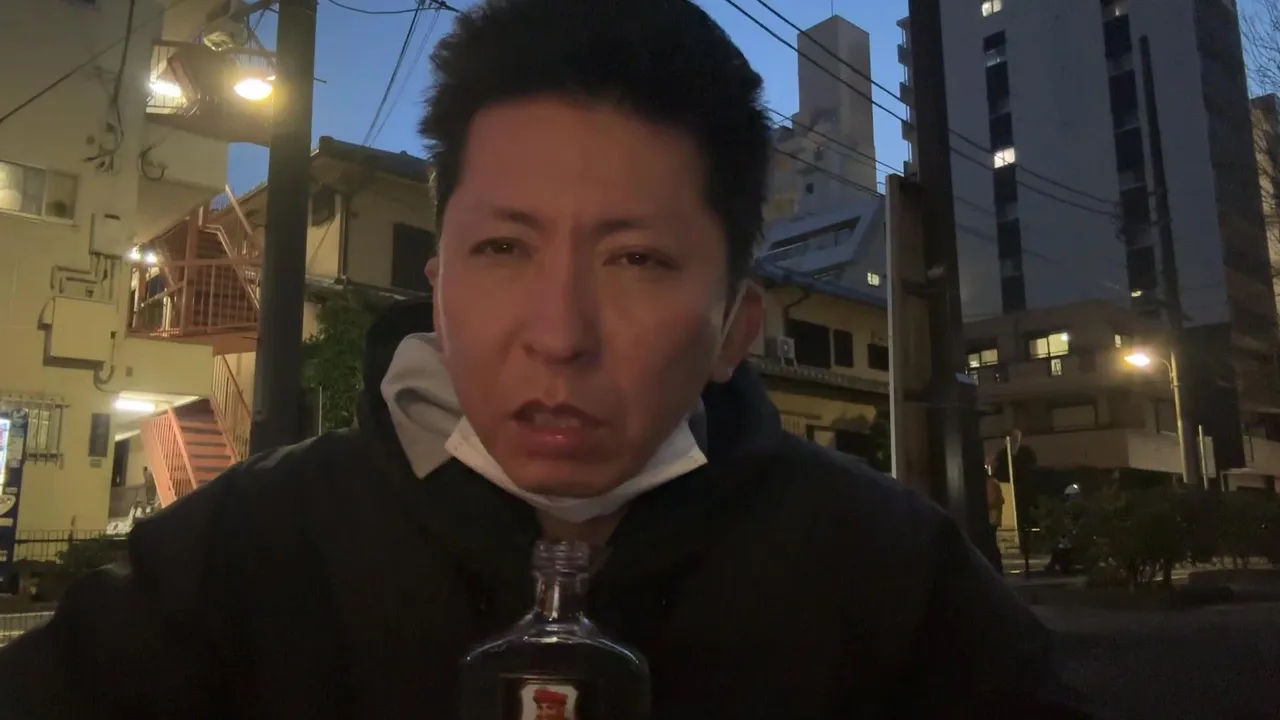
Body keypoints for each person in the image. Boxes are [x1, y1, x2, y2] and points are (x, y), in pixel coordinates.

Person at [0, 1, 1091, 717]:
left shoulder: (890, 578)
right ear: (438, 287)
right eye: (502, 249)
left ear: (735, 328)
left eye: (637, 259)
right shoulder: (242, 554)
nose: (559, 331)